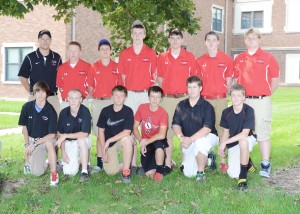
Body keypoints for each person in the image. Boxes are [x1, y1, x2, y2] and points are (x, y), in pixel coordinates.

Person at [233, 28, 280, 178]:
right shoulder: (239, 58)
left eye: (254, 38)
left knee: (262, 133)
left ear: (259, 39)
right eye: (248, 38)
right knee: (242, 132)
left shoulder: (268, 58)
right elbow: (236, 80)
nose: (251, 40)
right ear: (245, 40)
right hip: (243, 102)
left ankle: (265, 164)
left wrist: (264, 94)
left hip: (261, 101)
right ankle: (245, 162)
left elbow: (275, 80)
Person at [118, 20, 157, 171]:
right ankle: (133, 163)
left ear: (144, 35)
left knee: (146, 128)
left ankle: (144, 163)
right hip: (131, 95)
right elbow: (122, 76)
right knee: (131, 127)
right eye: (135, 33)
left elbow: (154, 75)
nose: (137, 36)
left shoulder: (151, 53)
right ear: (131, 35)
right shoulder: (125, 53)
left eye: (140, 33)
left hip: (145, 95)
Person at [157, 28, 197, 174]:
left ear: (182, 40)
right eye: (172, 38)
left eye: (177, 38)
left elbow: (194, 79)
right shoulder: (161, 57)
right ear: (169, 40)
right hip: (167, 99)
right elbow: (160, 78)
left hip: (185, 99)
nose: (174, 41)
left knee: (185, 130)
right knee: (167, 131)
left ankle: (185, 162)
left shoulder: (190, 57)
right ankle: (167, 163)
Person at [196, 31, 233, 173]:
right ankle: (207, 156)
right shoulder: (199, 61)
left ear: (218, 42)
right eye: (208, 40)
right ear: (205, 42)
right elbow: (198, 83)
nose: (211, 43)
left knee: (222, 129)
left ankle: (223, 161)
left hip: (220, 99)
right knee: (204, 129)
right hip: (205, 101)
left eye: (214, 40)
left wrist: (221, 93)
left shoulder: (227, 59)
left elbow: (228, 81)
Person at [172, 76, 218, 182]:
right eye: (189, 87)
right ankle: (209, 160)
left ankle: (200, 173)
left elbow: (207, 129)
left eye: (195, 87)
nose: (192, 90)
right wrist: (181, 138)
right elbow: (175, 124)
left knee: (200, 143)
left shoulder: (207, 106)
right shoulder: (181, 105)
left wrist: (190, 139)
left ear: (200, 88)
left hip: (207, 136)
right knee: (188, 173)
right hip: (189, 139)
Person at [87, 39, 121, 174]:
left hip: (112, 103)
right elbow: (90, 86)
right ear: (99, 51)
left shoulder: (117, 67)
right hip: (98, 103)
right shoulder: (93, 67)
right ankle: (99, 163)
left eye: (107, 49)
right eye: (102, 49)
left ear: (111, 51)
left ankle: (116, 159)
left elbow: (120, 87)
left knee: (113, 131)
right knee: (98, 132)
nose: (105, 51)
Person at [18, 81, 58, 186]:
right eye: (38, 91)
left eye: (43, 92)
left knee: (49, 143)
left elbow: (52, 135)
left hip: (46, 139)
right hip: (33, 139)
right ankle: (44, 163)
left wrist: (35, 144)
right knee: (37, 172)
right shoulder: (26, 107)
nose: (40, 94)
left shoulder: (50, 110)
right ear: (34, 93)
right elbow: (24, 127)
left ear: (47, 94)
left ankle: (54, 174)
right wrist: (27, 144)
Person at [218, 84, 257, 190]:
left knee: (243, 142)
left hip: (248, 139)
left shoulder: (249, 110)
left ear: (244, 97)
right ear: (230, 96)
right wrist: (222, 147)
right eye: (233, 95)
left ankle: (243, 177)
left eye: (239, 96)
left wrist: (225, 143)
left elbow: (244, 134)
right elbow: (226, 132)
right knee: (232, 173)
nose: (236, 98)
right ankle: (247, 162)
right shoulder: (226, 112)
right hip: (233, 141)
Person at [18, 29, 62, 116]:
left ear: (51, 40)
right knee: (33, 126)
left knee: (54, 127)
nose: (45, 41)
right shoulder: (30, 57)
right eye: (42, 39)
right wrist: (32, 92)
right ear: (38, 40)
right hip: (36, 98)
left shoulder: (57, 57)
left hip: (52, 98)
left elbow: (61, 78)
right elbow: (22, 78)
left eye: (47, 39)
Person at [97, 85, 134, 184]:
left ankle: (126, 172)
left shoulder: (128, 111)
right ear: (111, 96)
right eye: (116, 95)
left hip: (121, 140)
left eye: (121, 96)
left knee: (127, 139)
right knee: (111, 172)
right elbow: (100, 131)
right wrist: (103, 152)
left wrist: (109, 140)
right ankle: (124, 164)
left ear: (125, 98)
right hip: (109, 144)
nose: (118, 98)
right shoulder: (105, 111)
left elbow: (127, 132)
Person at [133, 86, 168, 182]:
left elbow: (162, 135)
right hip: (145, 141)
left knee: (159, 145)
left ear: (161, 99)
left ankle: (160, 170)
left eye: (157, 97)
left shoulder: (163, 113)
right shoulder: (142, 108)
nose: (155, 99)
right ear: (148, 97)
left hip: (157, 140)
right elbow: (135, 127)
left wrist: (146, 142)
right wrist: (141, 141)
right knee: (149, 174)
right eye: (152, 96)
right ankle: (168, 163)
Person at [56, 89, 92, 183]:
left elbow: (85, 133)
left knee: (81, 140)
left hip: (82, 140)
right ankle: (78, 160)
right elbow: (60, 134)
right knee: (70, 172)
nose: (73, 100)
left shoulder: (85, 111)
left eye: (76, 98)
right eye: (71, 98)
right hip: (68, 142)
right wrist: (63, 151)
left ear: (81, 99)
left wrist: (65, 135)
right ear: (67, 99)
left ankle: (85, 171)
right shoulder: (63, 112)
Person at [56, 41, 90, 109]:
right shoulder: (61, 68)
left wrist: (86, 97)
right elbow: (60, 86)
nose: (73, 54)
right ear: (67, 52)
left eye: (76, 51)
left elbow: (91, 85)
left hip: (82, 103)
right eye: (71, 51)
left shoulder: (87, 67)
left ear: (80, 52)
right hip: (66, 103)